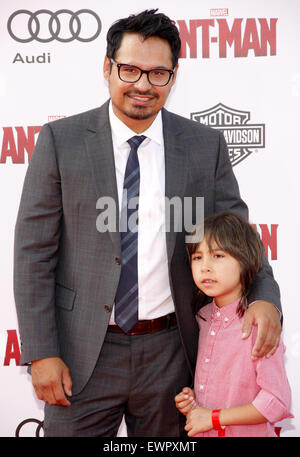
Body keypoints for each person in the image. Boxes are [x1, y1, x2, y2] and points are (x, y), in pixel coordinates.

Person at [14, 9, 282, 437]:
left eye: (158, 73)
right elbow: (33, 253)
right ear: (107, 68)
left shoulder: (203, 146)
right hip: (81, 353)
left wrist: (266, 296)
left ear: (173, 77)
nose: (142, 84)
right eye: (130, 69)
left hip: (171, 354)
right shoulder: (60, 142)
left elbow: (239, 235)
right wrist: (40, 350)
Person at [175, 212, 292, 437]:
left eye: (218, 256)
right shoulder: (202, 318)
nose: (205, 267)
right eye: (197, 257)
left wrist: (213, 417)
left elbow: (276, 400)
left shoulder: (258, 323)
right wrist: (193, 401)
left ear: (246, 261)